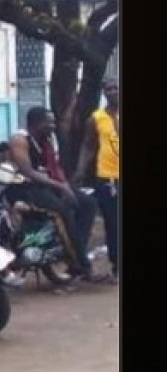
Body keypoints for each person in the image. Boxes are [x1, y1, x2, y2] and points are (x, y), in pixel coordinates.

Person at [5, 107, 105, 283]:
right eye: (49, 122)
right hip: (24, 189)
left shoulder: (47, 140)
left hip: (44, 185)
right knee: (62, 212)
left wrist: (65, 185)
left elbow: (55, 167)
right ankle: (82, 266)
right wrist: (59, 186)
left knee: (87, 203)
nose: (53, 125)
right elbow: (28, 172)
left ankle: (74, 248)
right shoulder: (19, 140)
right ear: (36, 124)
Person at [77, 80, 119, 280]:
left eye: (116, 87)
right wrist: (79, 172)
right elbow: (88, 146)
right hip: (107, 177)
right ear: (103, 93)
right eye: (108, 89)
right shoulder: (96, 118)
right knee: (113, 223)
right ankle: (117, 266)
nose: (112, 92)